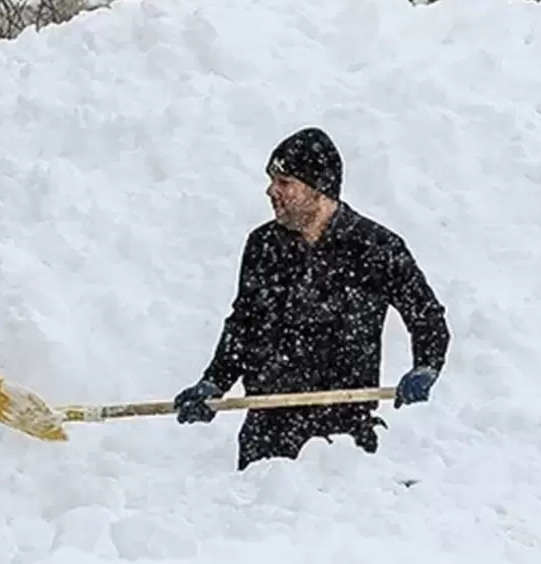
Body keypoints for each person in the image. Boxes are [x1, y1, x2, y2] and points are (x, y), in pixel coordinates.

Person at [173, 126, 451, 470]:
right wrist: (214, 381)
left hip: (343, 438)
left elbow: (426, 315)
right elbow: (243, 325)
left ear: (319, 188)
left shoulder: (376, 248)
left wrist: (426, 366)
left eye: (285, 182)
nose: (271, 191)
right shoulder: (263, 247)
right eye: (272, 181)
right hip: (267, 432)